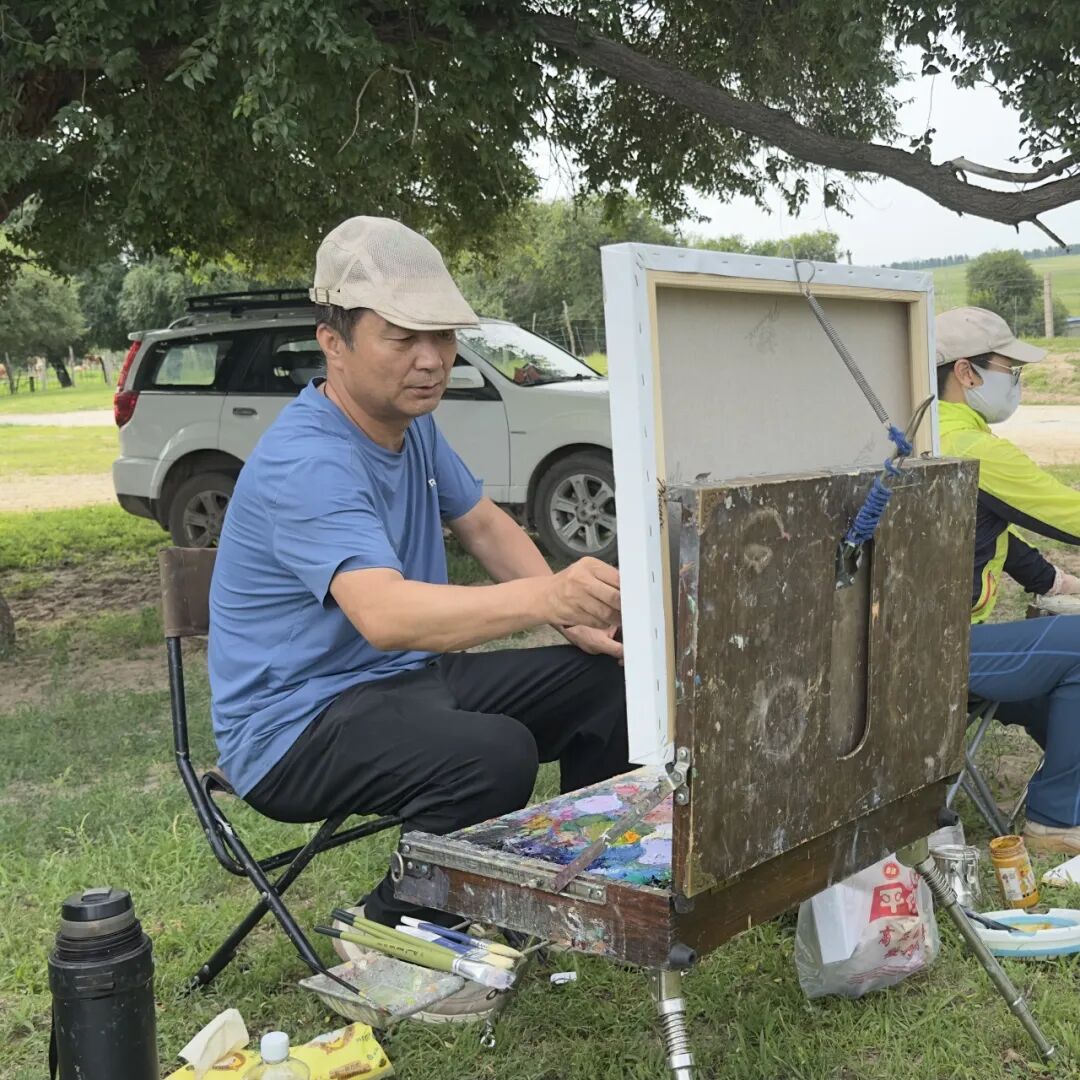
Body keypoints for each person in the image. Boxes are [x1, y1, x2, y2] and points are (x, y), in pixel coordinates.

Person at [208, 217, 631, 943]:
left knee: (606, 683)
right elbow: (383, 615)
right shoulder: (308, 460)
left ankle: (577, 886)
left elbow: (485, 525)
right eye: (404, 339)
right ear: (332, 342)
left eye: (443, 337)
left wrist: (575, 621)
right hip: (292, 730)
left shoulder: (412, 426)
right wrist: (545, 596)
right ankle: (392, 930)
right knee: (493, 755)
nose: (432, 360)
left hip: (402, 684)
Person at [936, 306, 1080, 852]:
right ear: (967, 372)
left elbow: (981, 529)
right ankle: (1056, 823)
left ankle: (1067, 804)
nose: (1015, 382)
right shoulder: (973, 450)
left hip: (908, 647)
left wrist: (1049, 580)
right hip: (937, 655)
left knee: (1058, 677)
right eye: (1008, 368)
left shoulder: (925, 431)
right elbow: (1068, 514)